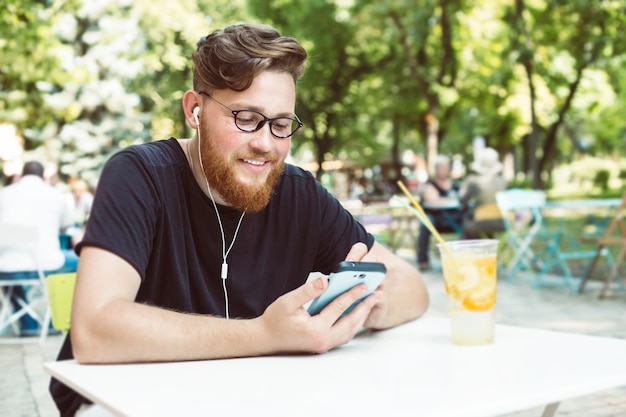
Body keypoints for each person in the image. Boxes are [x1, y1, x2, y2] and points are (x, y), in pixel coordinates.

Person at [50, 23, 429, 417]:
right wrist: (265, 334)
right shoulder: (139, 176)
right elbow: (94, 330)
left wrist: (359, 306)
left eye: (281, 125)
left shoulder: (300, 194)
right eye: (247, 117)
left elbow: (410, 285)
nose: (265, 143)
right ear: (194, 110)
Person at [0, 161, 78, 335]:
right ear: (43, 175)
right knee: (83, 261)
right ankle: (56, 320)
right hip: (45, 264)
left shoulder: (4, 194)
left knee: (12, 270)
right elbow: (65, 227)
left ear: (22, 174)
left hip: (4, 267)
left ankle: (28, 324)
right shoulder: (56, 195)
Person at [416, 155, 464, 271]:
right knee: (425, 222)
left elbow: (463, 200)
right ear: (436, 169)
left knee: (470, 220)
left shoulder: (455, 185)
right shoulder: (430, 185)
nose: (444, 170)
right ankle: (423, 261)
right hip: (437, 220)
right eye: (442, 167)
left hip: (455, 221)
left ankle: (466, 258)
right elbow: (431, 202)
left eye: (446, 167)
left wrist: (442, 200)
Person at [459, 147, 507, 239]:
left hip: (481, 222)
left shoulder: (475, 182)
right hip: (503, 222)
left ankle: (465, 250)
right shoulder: (504, 183)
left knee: (467, 223)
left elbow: (463, 200)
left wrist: (465, 184)